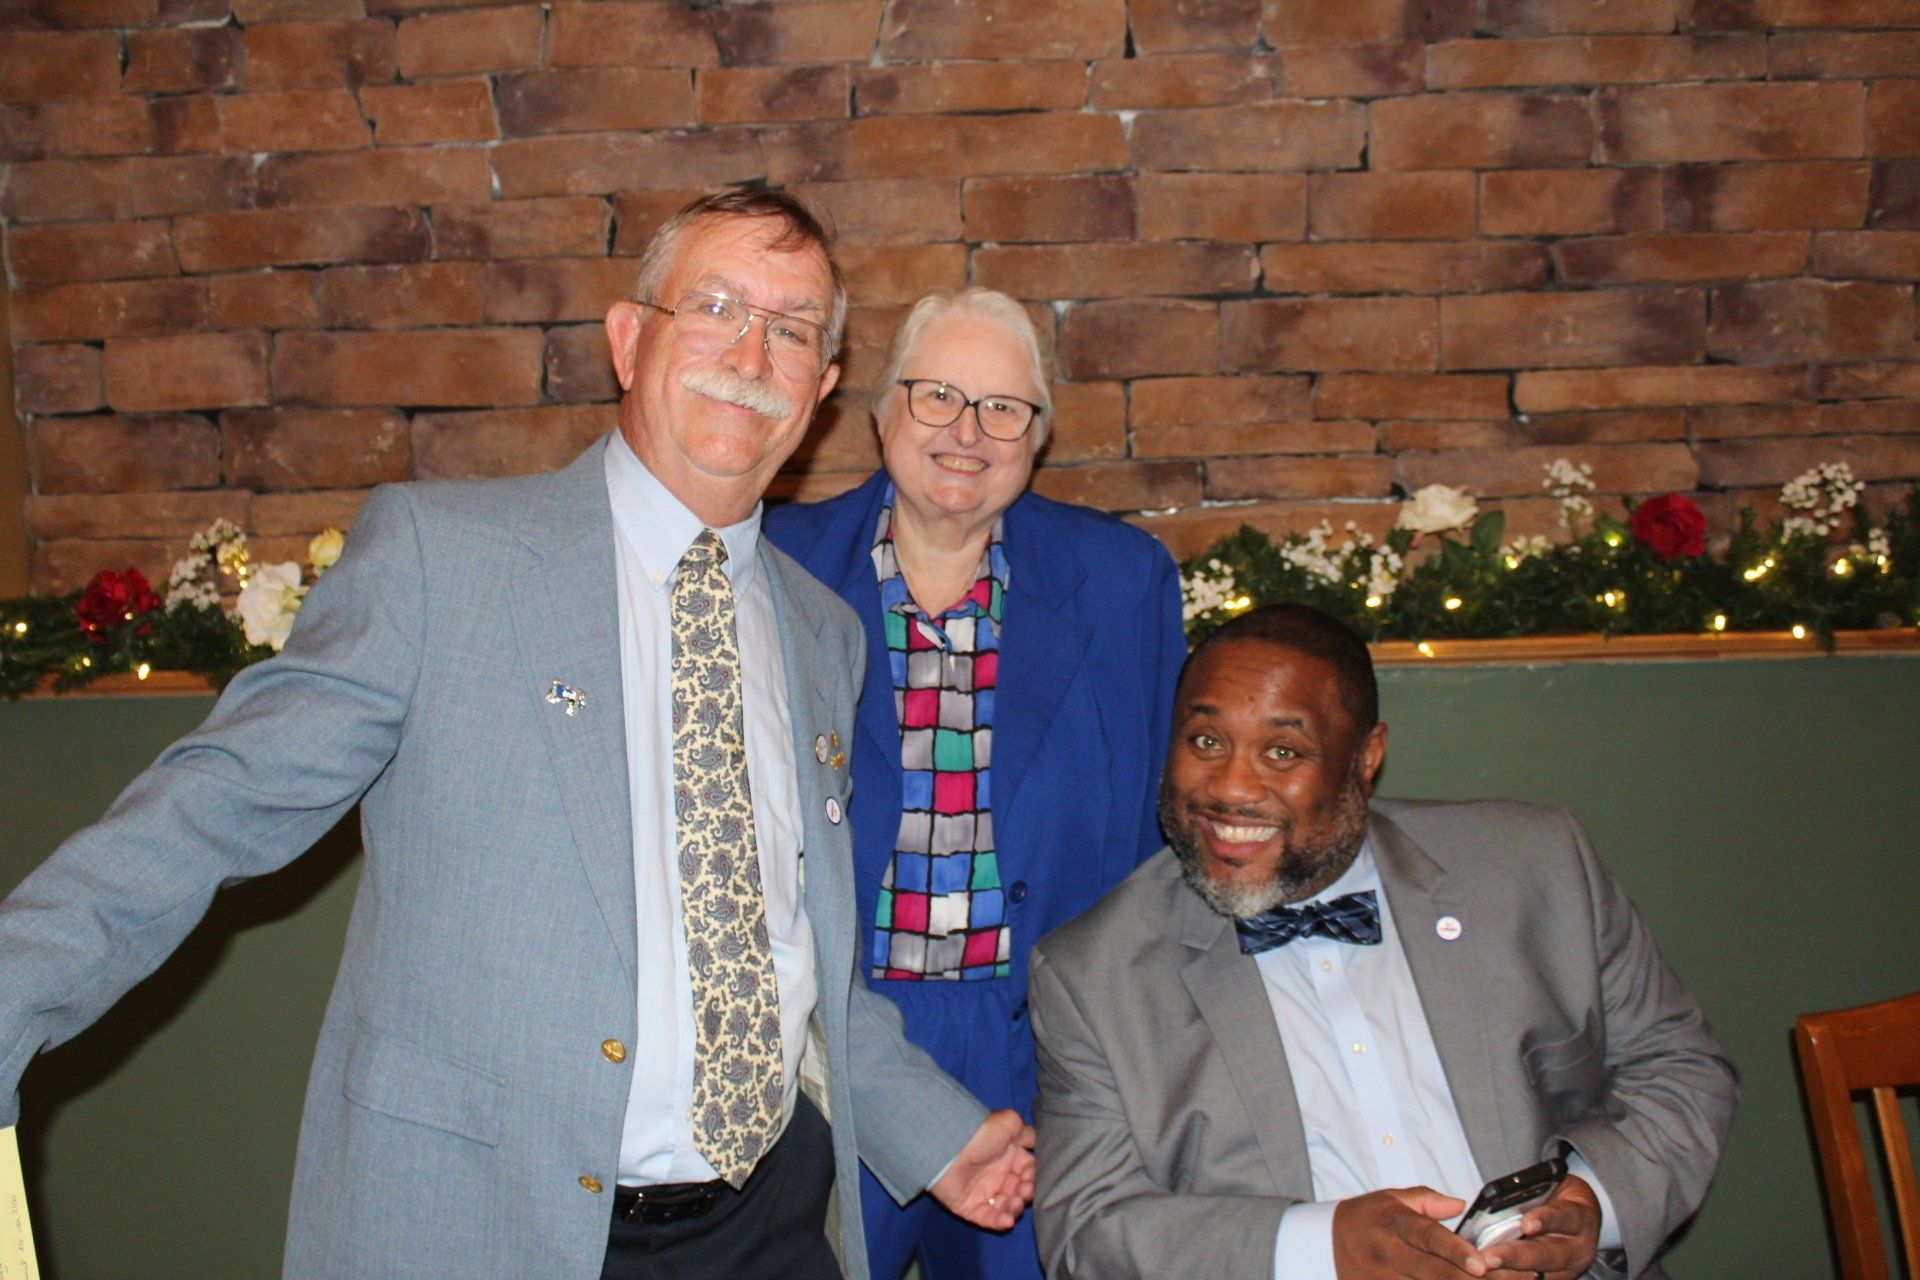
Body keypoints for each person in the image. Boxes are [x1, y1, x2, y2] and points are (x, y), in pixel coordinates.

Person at [0, 190, 1035, 1280]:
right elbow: (205, 812)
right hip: (488, 1226)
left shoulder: (823, 634)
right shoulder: (443, 563)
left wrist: (936, 1133)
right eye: (716, 306)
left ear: (820, 390)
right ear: (628, 339)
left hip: (765, 1229)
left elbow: (787, 950)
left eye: (792, 330)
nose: (751, 353)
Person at [1029, 603, 1737, 1280]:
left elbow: (1678, 1066)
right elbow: (1088, 1233)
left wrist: (1594, 1203)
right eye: (1206, 742)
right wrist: (1321, 1249)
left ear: (1366, 759)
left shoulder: (1535, 866)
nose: (1231, 787)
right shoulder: (1094, 972)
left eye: (1283, 751)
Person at [764, 287, 1184, 1279]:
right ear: (881, 412)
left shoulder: (1122, 580)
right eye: (937, 395)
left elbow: (1153, 830)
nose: (967, 432)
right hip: (833, 1038)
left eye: (1003, 407)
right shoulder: (774, 562)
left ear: (1037, 436)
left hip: (1041, 1042)